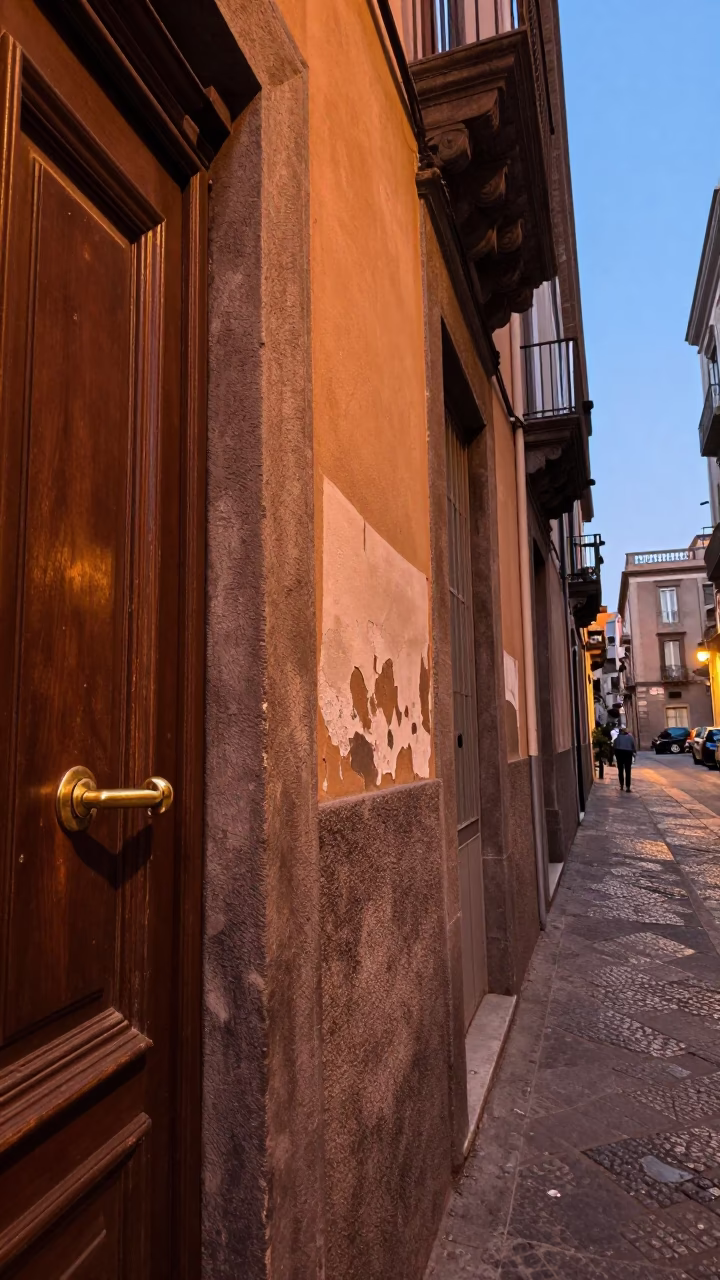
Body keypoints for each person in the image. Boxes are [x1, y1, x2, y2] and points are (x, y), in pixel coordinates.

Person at [613, 727, 636, 792]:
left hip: (619, 753)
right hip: (628, 753)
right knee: (628, 770)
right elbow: (633, 746)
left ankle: (622, 785)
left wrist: (615, 754)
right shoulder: (630, 737)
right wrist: (634, 752)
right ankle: (628, 787)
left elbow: (614, 747)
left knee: (620, 770)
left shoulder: (617, 738)